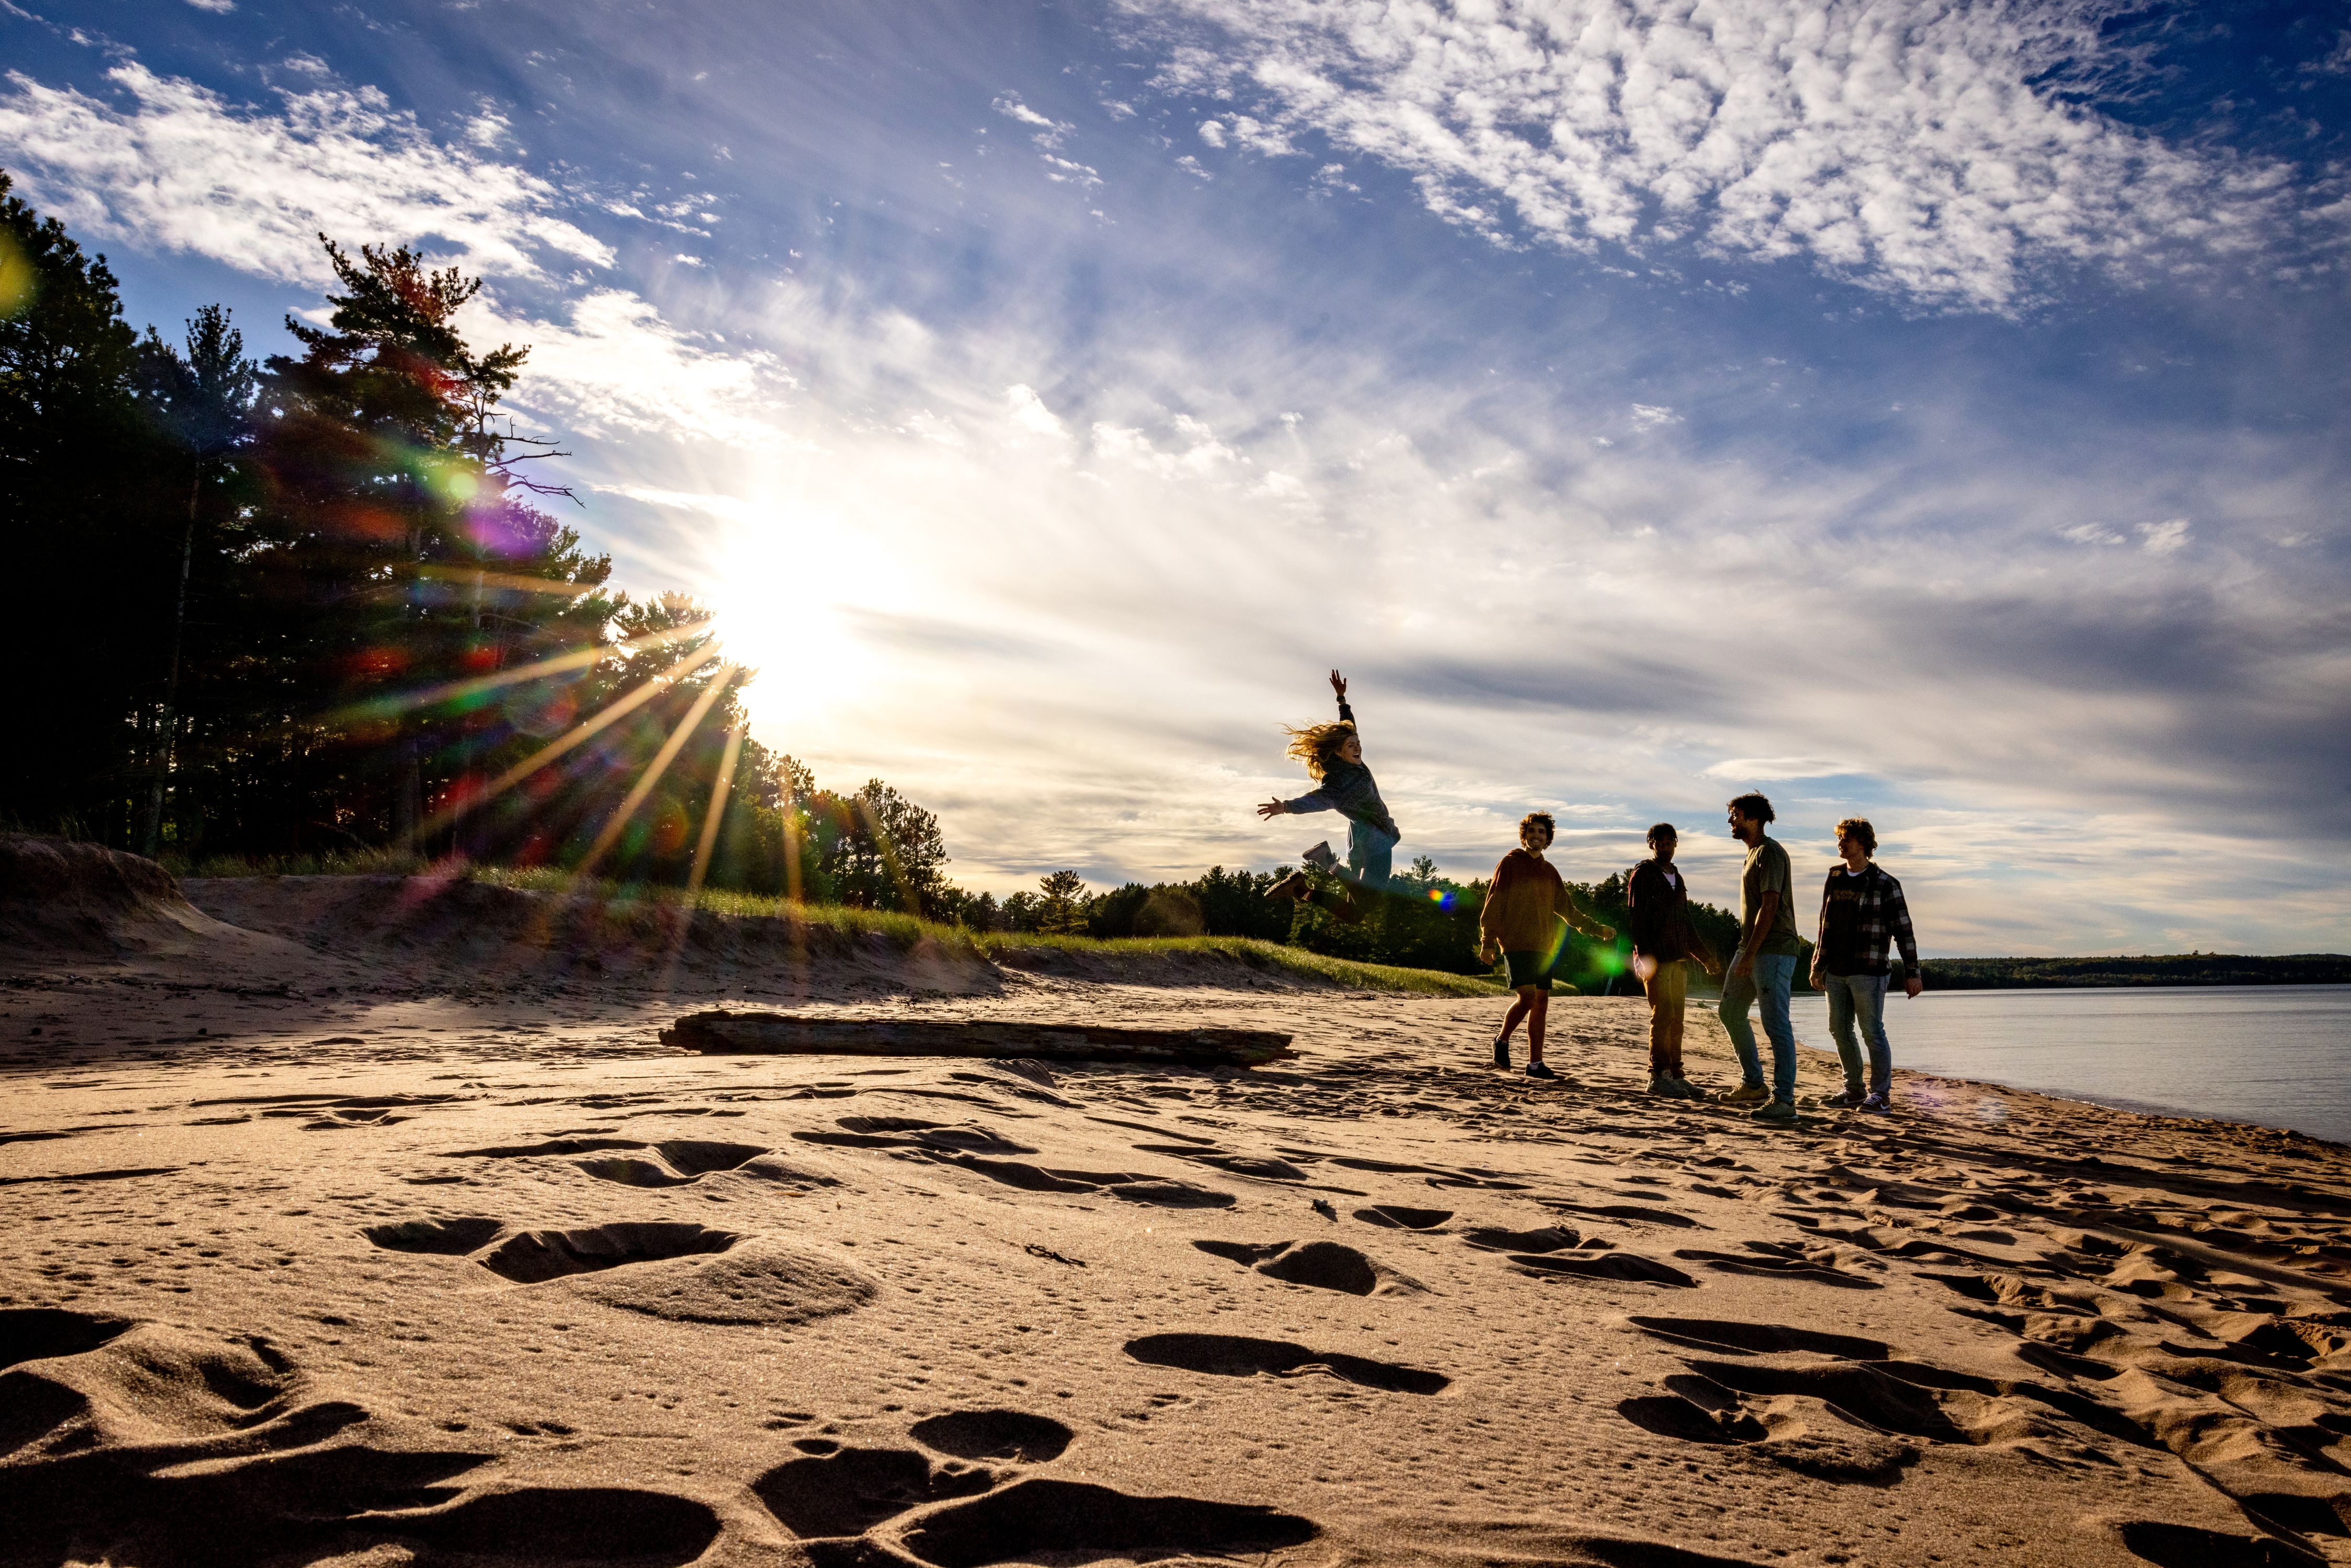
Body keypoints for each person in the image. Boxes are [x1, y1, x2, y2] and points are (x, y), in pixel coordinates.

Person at [1477, 812, 1616, 1080]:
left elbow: (1568, 910)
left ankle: (1535, 1064)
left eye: (1542, 832)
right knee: (1527, 998)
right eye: (1532, 831)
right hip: (1515, 943)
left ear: (1548, 839)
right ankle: (1502, 1040)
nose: (1536, 836)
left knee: (1541, 1003)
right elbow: (1493, 903)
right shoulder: (1509, 864)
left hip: (1543, 946)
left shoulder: (1550, 872)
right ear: (1524, 835)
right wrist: (1487, 942)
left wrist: (1596, 929)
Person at [1808, 817, 1921, 1114]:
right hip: (1835, 970)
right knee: (1839, 1029)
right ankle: (1854, 1090)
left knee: (1872, 1032)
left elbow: (1904, 932)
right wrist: (1817, 964)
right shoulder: (1834, 877)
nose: (1840, 844)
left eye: (1847, 839)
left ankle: (1880, 1095)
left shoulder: (1886, 883)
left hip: (1869, 971)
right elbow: (1825, 925)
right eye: (1840, 839)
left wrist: (1913, 973)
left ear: (1863, 844)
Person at [1259, 670, 1400, 895]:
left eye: (1358, 743)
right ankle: (1325, 860)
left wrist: (1341, 699)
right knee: (1368, 902)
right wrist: (1286, 806)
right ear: (1338, 752)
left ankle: (1302, 891)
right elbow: (1316, 800)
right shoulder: (1339, 782)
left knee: (1358, 910)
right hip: (1377, 843)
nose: (1358, 748)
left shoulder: (1354, 765)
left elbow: (1348, 725)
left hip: (1362, 844)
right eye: (1351, 746)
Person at [1718, 792, 1804, 1124]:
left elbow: (1770, 907)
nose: (1731, 821)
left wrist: (1750, 954)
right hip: (1751, 949)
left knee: (1776, 1024)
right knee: (1729, 1010)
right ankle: (1754, 1083)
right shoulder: (1753, 854)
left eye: (1735, 815)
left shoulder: (1770, 853)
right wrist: (1747, 952)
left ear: (1753, 818)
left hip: (1774, 951)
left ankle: (1784, 1101)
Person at [1624, 824, 1721, 1099]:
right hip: (1656, 959)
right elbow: (1636, 919)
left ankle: (1676, 1075)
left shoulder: (1676, 876)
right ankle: (1658, 1076)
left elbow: (1686, 923)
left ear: (1676, 844)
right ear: (1651, 844)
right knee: (1663, 1016)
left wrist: (1705, 957)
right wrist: (1642, 956)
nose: (1665, 845)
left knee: (1677, 1019)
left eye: (1670, 841)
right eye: (1660, 841)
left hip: (1678, 960)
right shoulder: (1643, 875)